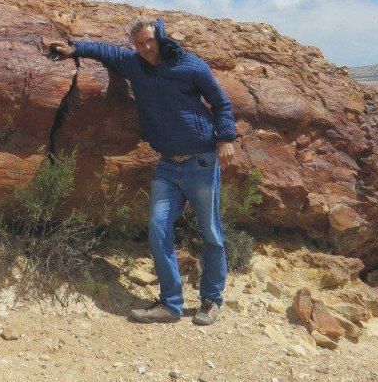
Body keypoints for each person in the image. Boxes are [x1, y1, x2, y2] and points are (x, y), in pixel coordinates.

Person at [47, 18, 236, 326]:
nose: (147, 48)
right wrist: (75, 49)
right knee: (158, 229)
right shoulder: (135, 65)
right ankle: (171, 304)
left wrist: (226, 138)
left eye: (150, 41)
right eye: (140, 44)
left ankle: (211, 300)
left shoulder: (191, 66)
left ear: (160, 37)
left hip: (201, 161)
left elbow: (222, 104)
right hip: (168, 165)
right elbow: (107, 52)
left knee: (211, 232)